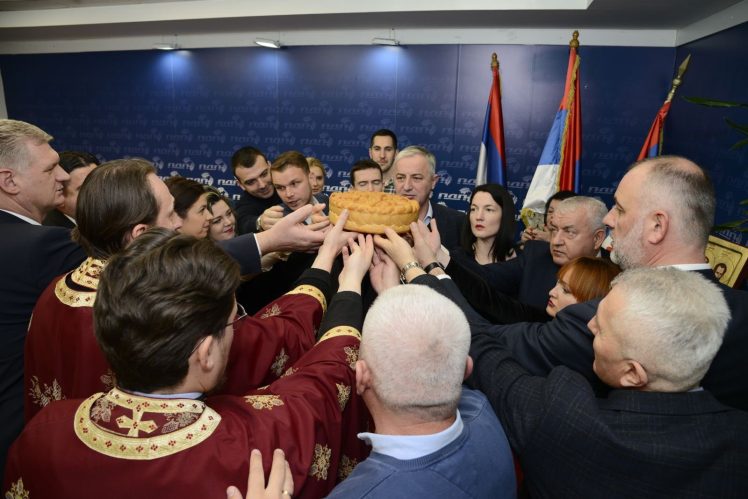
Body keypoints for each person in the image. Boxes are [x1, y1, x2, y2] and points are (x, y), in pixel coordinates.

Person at [6, 216, 370, 498]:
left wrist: (325, 260)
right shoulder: (251, 448)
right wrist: (351, 281)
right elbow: (320, 386)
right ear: (206, 353)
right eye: (235, 322)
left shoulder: (44, 432)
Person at [24, 159, 337, 422]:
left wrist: (268, 240)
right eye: (172, 213)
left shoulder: (56, 290)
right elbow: (267, 345)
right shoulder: (160, 306)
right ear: (141, 234)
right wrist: (324, 268)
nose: (180, 223)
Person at [451, 156, 748, 411]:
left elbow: (491, 344)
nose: (608, 219)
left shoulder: (606, 317)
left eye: (620, 208)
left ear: (657, 226)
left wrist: (430, 274)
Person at [467, 268, 748, 497]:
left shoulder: (566, 415)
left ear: (632, 374)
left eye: (600, 329)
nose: (589, 326)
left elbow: (493, 365)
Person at [326, 284, 516, 499]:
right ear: (466, 369)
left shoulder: (361, 493)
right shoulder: (482, 410)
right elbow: (433, 360)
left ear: (361, 377)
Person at [0, 119, 86, 473]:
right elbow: (145, 282)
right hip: (19, 437)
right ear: (9, 181)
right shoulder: (44, 245)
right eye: (51, 168)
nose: (63, 176)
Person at [447, 195, 608, 311]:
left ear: (597, 238)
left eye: (569, 232)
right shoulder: (536, 254)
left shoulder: (615, 278)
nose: (556, 241)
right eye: (553, 230)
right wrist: (442, 256)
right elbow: (486, 276)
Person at [393, 145, 465, 250]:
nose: (407, 186)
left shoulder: (458, 223)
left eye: (416, 178)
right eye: (400, 178)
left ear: (433, 182)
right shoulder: (379, 222)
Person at [459, 183, 517, 264]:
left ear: (505, 215)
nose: (478, 217)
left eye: (488, 210)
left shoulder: (523, 261)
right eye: (473, 209)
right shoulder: (455, 259)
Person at [232, 146, 284, 234]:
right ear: (240, 184)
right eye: (251, 182)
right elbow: (243, 223)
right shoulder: (244, 206)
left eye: (264, 174)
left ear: (270, 166)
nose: (262, 185)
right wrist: (260, 222)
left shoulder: (288, 183)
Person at [42, 150, 99, 228]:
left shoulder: (110, 221)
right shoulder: (53, 233)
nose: (98, 193)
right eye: (85, 189)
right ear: (59, 196)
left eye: (100, 184)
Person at [271, 151, 329, 217]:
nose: (288, 194)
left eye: (294, 184)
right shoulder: (277, 218)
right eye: (280, 187)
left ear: (309, 177)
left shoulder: (324, 200)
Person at [368, 129, 398, 193]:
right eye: (377, 149)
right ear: (370, 153)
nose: (382, 156)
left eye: (388, 149)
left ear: (396, 153)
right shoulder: (359, 185)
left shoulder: (403, 186)